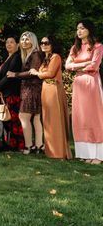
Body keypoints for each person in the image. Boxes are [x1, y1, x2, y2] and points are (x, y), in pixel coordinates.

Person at [65, 20, 103, 163]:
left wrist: (78, 65)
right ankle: (86, 154)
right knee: (80, 117)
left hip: (91, 83)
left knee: (94, 116)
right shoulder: (75, 48)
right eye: (77, 29)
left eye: (82, 28)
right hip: (78, 84)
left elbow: (94, 66)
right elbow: (67, 66)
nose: (79, 31)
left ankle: (98, 155)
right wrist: (83, 64)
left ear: (89, 30)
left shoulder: (98, 46)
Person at [30, 36, 71, 159]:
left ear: (53, 44)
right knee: (48, 120)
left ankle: (59, 152)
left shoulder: (56, 57)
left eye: (47, 43)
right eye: (42, 43)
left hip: (53, 90)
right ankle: (51, 150)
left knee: (55, 120)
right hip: (46, 90)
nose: (43, 45)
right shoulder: (46, 58)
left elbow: (50, 73)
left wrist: (37, 73)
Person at [8, 31, 43, 154]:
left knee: (23, 116)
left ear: (33, 41)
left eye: (27, 39)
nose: (24, 41)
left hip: (32, 89)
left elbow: (32, 72)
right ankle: (38, 146)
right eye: (22, 39)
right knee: (36, 118)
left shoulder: (35, 54)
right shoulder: (28, 55)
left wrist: (15, 74)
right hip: (30, 88)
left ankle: (28, 146)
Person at [0, 36, 24, 150]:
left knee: (13, 120)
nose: (9, 44)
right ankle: (8, 143)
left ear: (18, 45)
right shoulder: (8, 58)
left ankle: (17, 145)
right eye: (7, 42)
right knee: (6, 119)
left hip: (12, 93)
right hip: (5, 93)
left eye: (12, 42)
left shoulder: (17, 57)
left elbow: (9, 76)